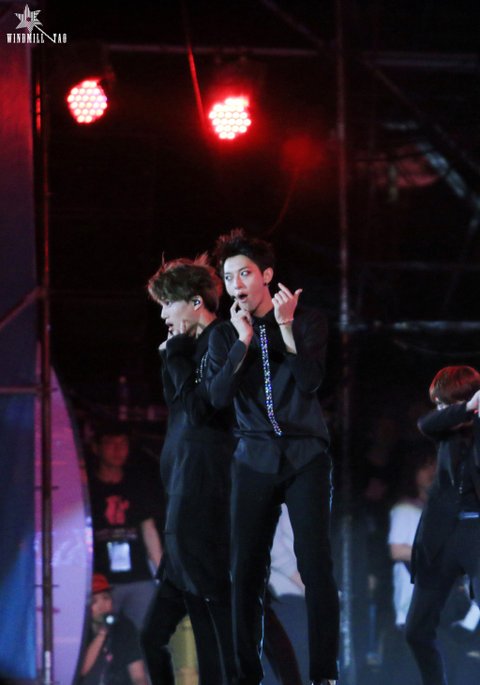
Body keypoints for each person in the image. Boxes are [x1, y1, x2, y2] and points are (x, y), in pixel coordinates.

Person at [206, 228, 339, 685]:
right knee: (246, 570)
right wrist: (242, 341)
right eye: (228, 278)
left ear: (266, 275)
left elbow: (310, 381)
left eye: (244, 273)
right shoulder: (224, 334)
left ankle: (324, 674)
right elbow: (217, 398)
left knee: (315, 565)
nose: (236, 284)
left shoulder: (308, 320)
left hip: (305, 455)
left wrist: (284, 327)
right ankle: (246, 676)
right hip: (254, 458)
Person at [142, 255, 236, 685]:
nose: (163, 315)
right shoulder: (191, 347)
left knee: (209, 613)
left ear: (196, 302)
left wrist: (177, 353)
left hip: (202, 490)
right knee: (154, 636)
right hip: (182, 488)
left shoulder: (220, 339)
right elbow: (179, 405)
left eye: (169, 304)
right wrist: (173, 356)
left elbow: (201, 411)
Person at [405, 365, 480, 685]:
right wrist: (465, 409)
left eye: (444, 404)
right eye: (439, 405)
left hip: (476, 533)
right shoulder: (445, 428)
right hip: (441, 535)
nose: (440, 411)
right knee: (416, 630)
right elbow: (426, 424)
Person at [88, 424, 163, 630]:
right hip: (101, 581)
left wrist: (162, 573)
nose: (118, 450)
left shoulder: (137, 484)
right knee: (101, 634)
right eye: (110, 444)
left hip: (138, 576)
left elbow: (149, 530)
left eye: (123, 444)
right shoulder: (88, 488)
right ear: (96, 447)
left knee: (150, 632)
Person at [80, 573, 149, 685]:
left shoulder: (124, 627)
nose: (102, 606)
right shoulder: (80, 631)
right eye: (94, 601)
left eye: (105, 598)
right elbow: (82, 670)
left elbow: (138, 675)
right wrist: (101, 634)